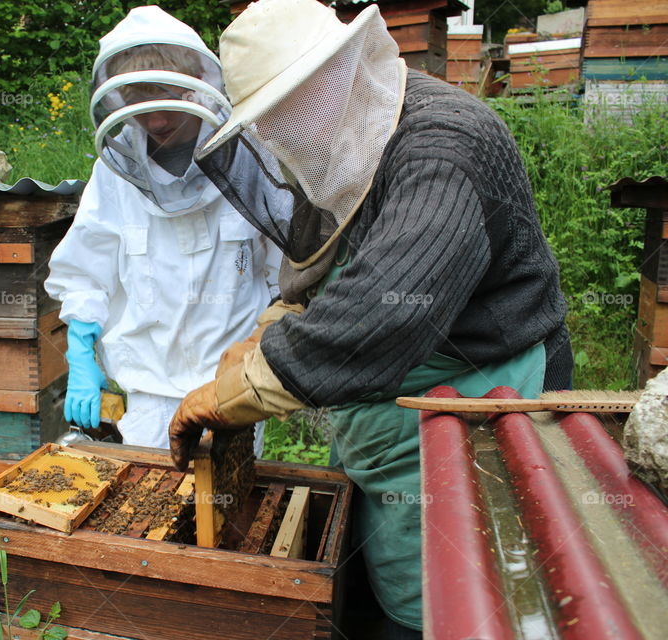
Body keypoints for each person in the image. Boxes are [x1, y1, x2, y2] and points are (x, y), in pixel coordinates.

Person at [167, 0, 573, 636]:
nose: (275, 138)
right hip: (393, 400)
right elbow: (322, 271)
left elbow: (378, 318)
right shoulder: (348, 141)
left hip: (484, 386)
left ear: (338, 76)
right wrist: (261, 336)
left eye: (282, 115)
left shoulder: (443, 150)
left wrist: (232, 394)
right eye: (264, 123)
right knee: (373, 561)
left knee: (461, 587)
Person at [44, 6, 280, 450]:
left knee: (227, 508)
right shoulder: (114, 175)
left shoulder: (249, 160)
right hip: (147, 394)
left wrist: (262, 353)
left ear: (196, 84)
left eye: (164, 93)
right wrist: (80, 346)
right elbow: (85, 270)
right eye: (138, 98)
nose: (156, 120)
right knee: (150, 509)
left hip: (230, 390)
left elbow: (283, 274)